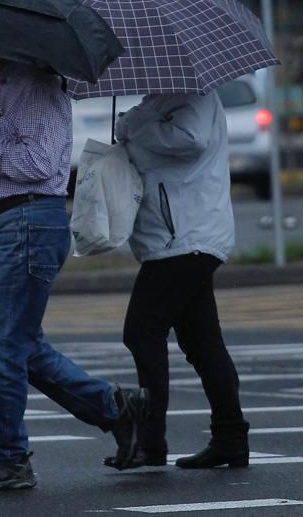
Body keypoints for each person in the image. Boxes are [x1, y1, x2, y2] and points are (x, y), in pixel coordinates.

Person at [0, 52, 148, 493]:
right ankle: (116, 408)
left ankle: (8, 457)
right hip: (5, 226)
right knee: (24, 349)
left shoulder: (35, 87)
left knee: (0, 348)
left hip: (26, 224)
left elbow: (37, 164)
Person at [108, 91, 249, 470]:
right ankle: (230, 439)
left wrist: (132, 125)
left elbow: (189, 139)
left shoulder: (194, 93)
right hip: (178, 236)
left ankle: (151, 443)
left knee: (141, 331)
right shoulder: (164, 95)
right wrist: (131, 124)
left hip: (186, 237)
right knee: (202, 342)